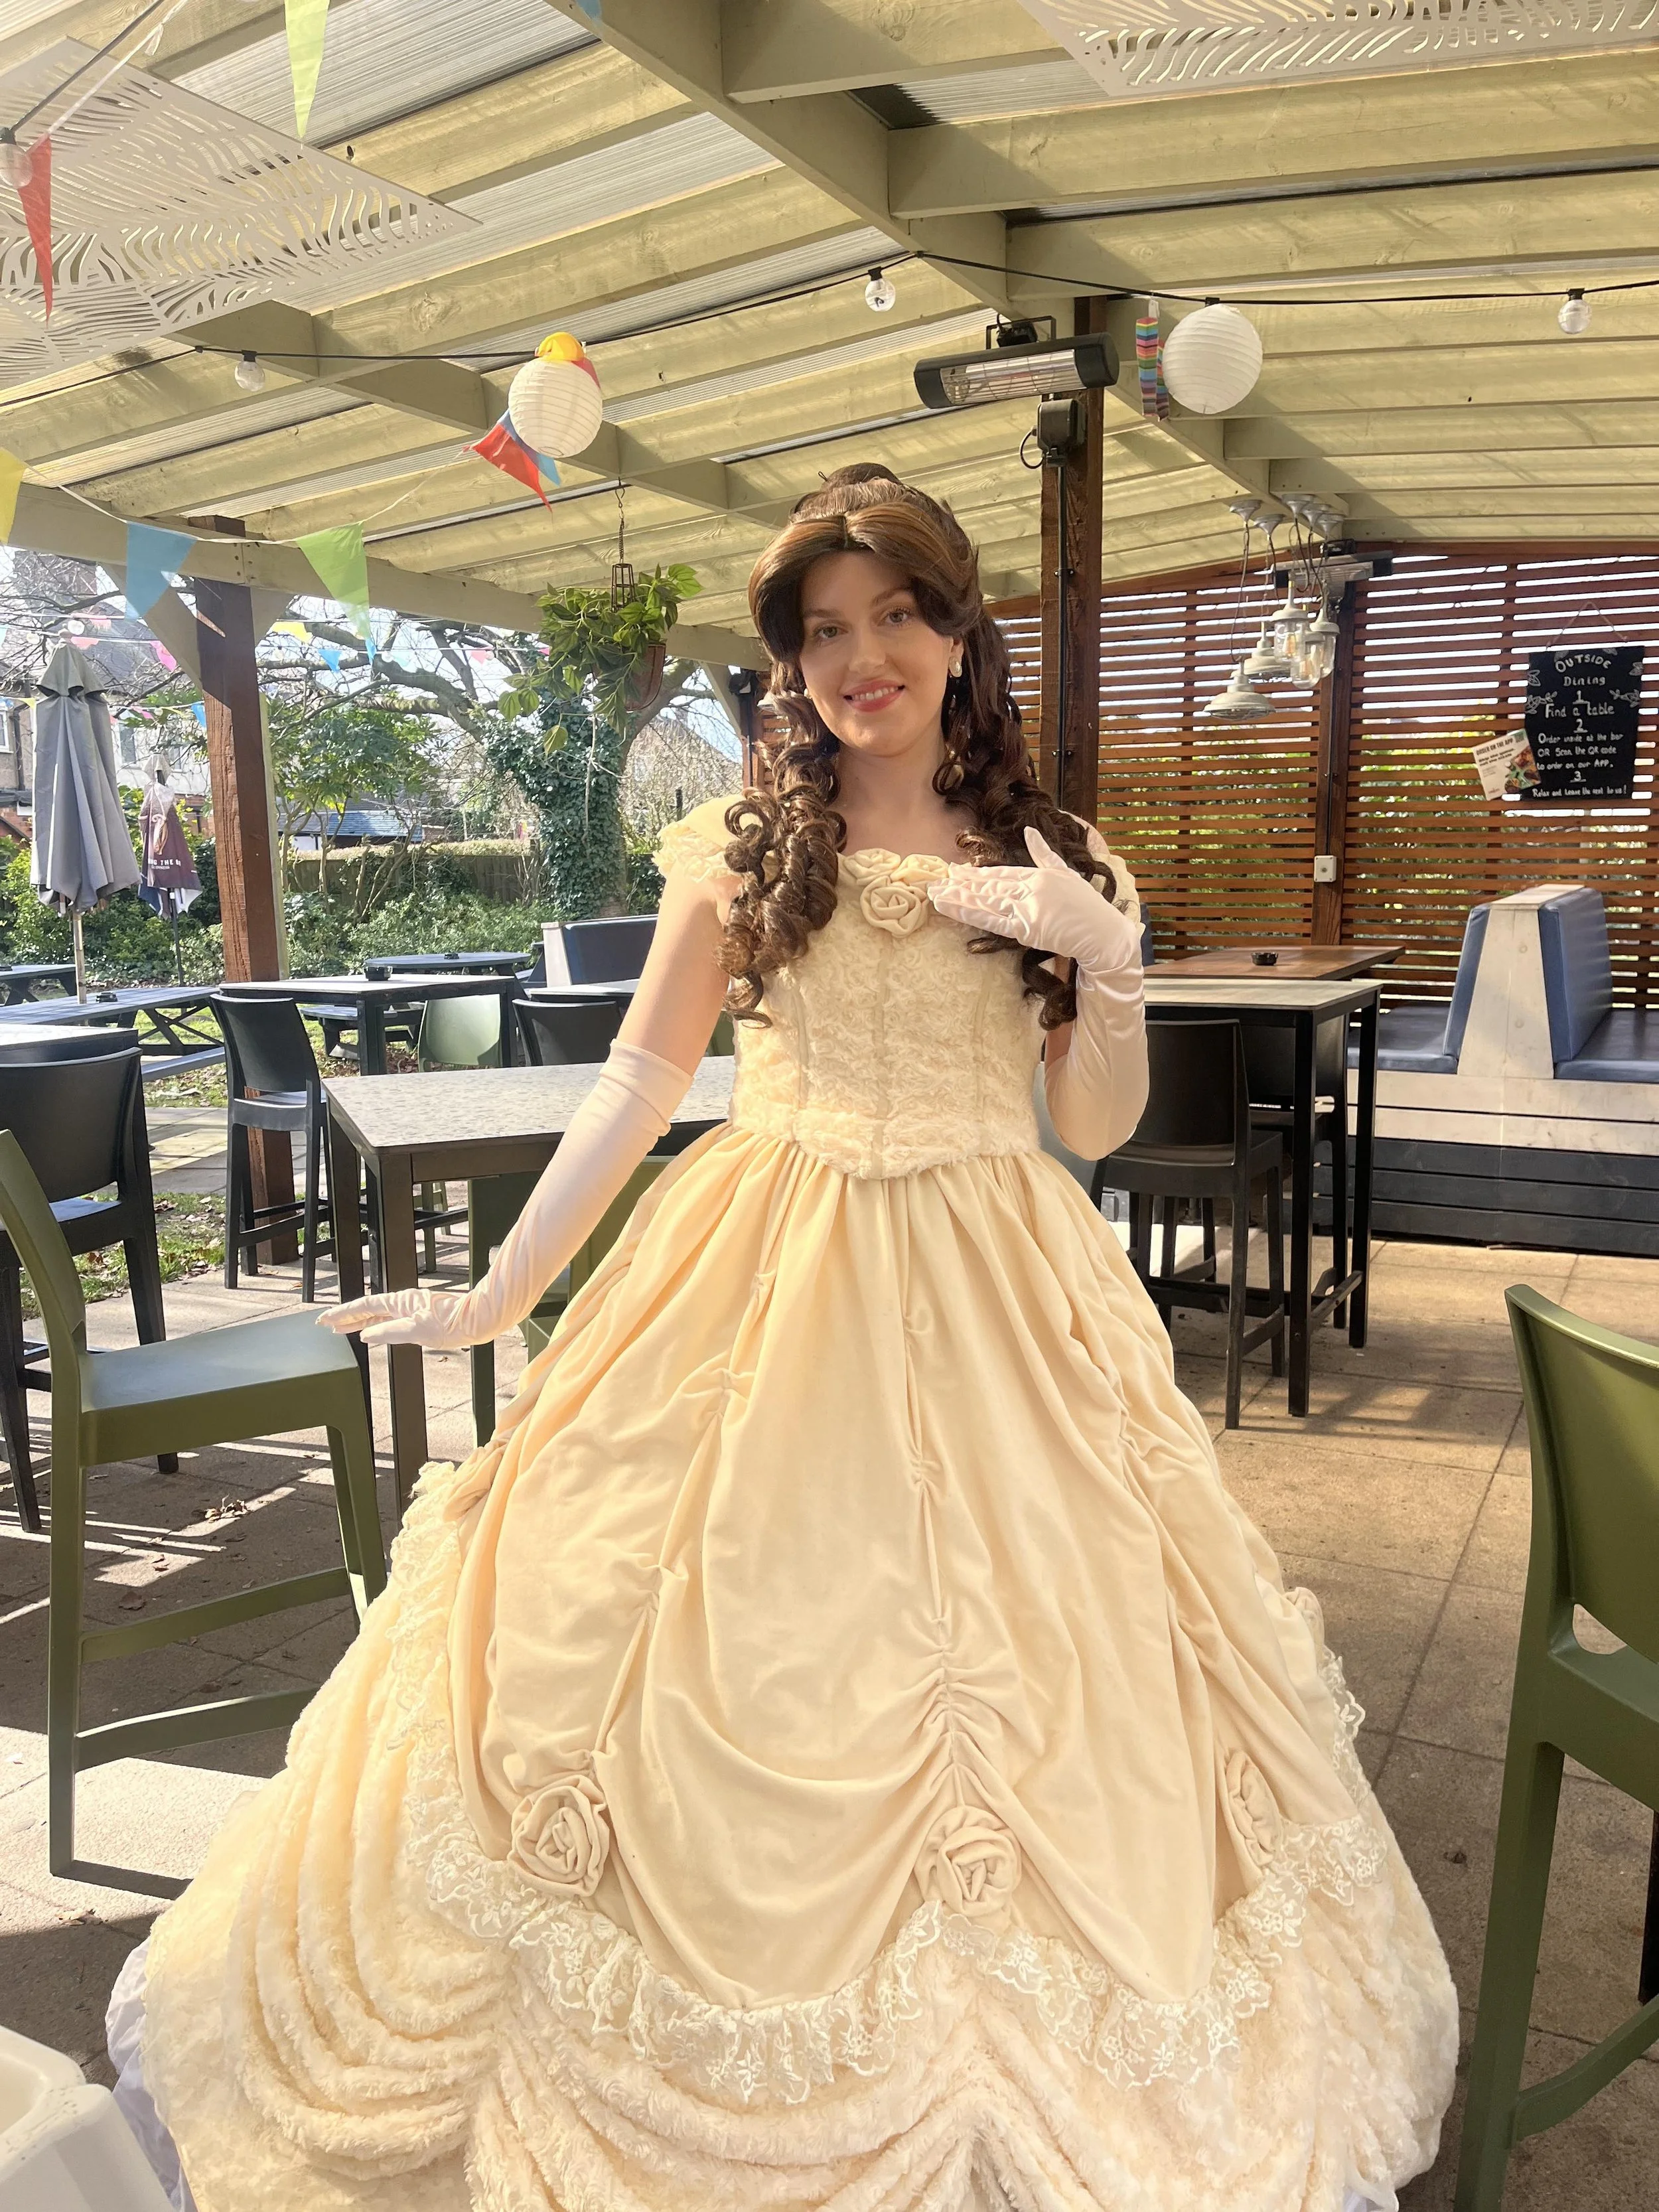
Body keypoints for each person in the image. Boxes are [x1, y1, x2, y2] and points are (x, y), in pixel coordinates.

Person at [110, 465, 1457, 2211]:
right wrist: (501, 1292)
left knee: (1058, 1668)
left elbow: (1099, 1128)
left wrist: (1105, 960)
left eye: (894, 612)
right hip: (769, 1264)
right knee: (678, 1649)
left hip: (1002, 1286)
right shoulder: (749, 850)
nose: (862, 655)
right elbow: (638, 1081)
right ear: (790, 662)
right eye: (824, 629)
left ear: (958, 629)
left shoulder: (1054, 853)